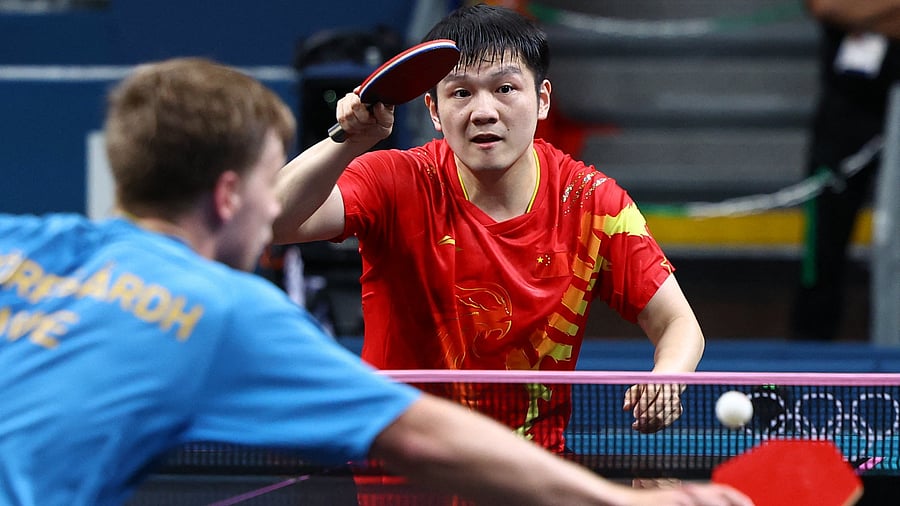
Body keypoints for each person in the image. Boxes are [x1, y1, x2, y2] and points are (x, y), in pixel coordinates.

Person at [0, 58, 752, 506]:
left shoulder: (21, 243)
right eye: (268, 180)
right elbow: (421, 434)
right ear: (230, 196)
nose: (275, 204)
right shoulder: (232, 315)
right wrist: (622, 503)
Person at [273, 2, 706, 452]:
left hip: (529, 470)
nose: (483, 111)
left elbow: (678, 322)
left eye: (505, 88)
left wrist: (668, 377)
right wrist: (346, 142)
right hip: (404, 467)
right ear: (434, 111)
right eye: (461, 92)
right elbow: (274, 222)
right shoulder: (396, 181)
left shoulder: (592, 203)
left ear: (542, 99)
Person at [791, 0, 900, 341]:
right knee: (823, 245)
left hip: (893, 102)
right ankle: (809, 352)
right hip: (844, 114)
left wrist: (860, 16)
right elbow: (825, 6)